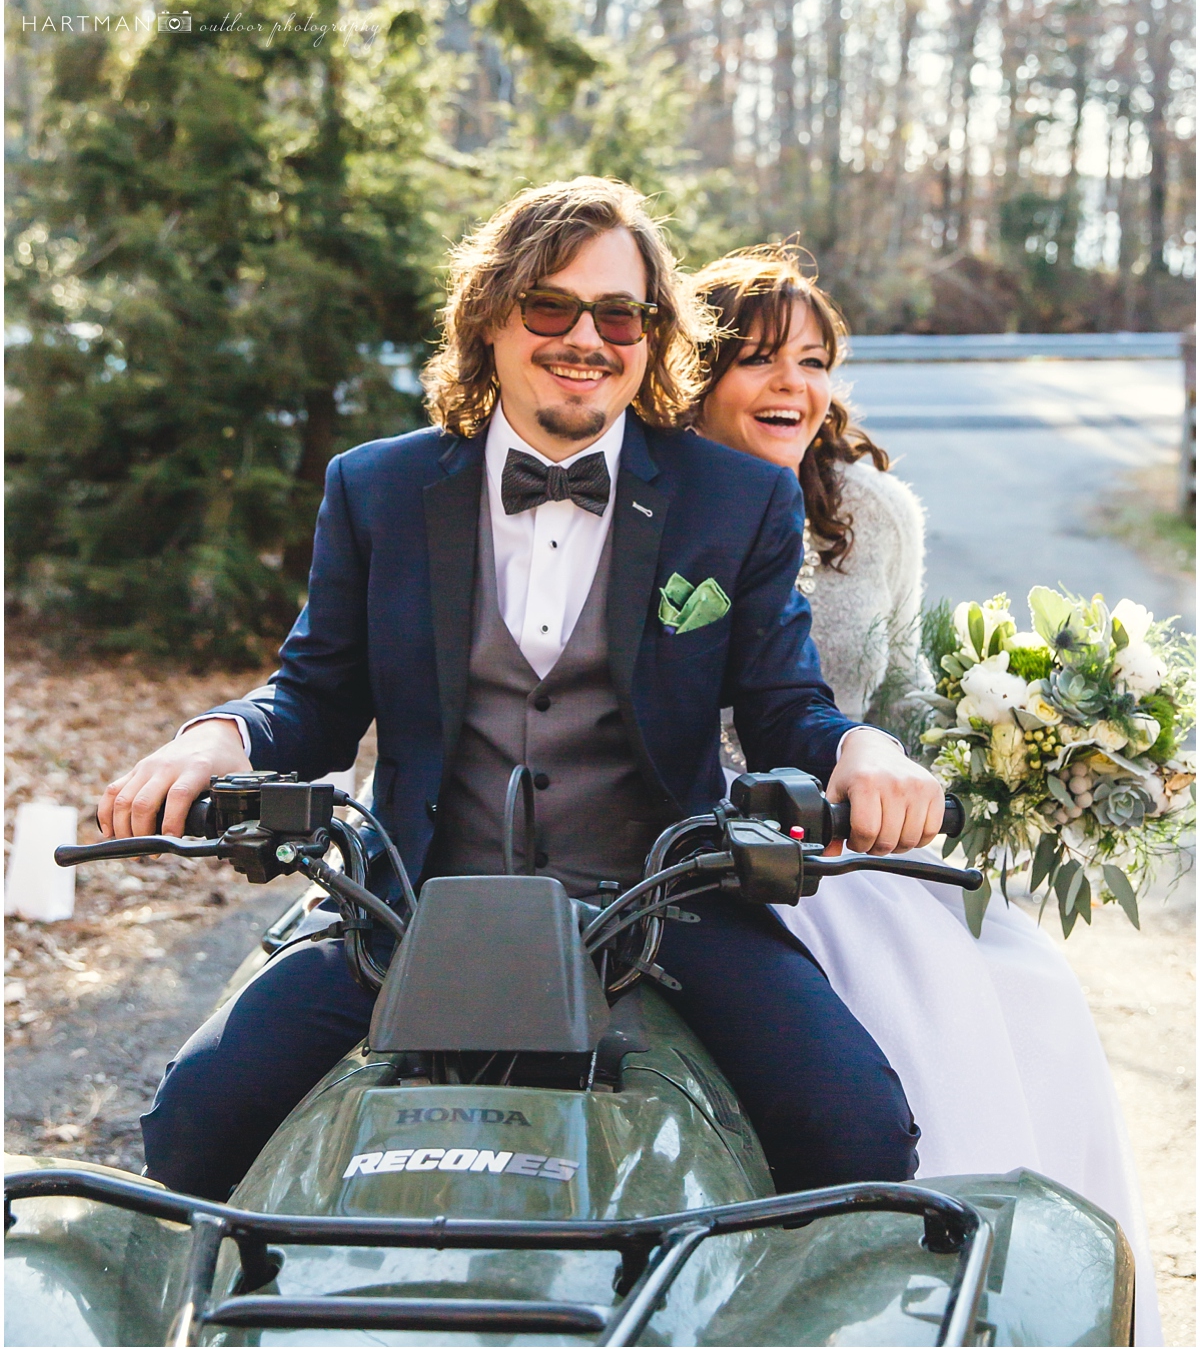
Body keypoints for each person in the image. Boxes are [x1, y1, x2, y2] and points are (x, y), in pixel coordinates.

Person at [99, 176, 946, 1205]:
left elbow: (784, 706)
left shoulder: (738, 497)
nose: (586, 337)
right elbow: (313, 695)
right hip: (411, 898)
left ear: (651, 336)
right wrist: (217, 739)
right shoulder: (376, 489)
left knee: (854, 1124)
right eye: (552, 305)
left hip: (665, 900)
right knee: (195, 1117)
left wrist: (860, 749)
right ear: (491, 316)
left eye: (620, 313)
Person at [691, 245, 1162, 1347]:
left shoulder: (874, 511)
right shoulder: (657, 499)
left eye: (812, 361)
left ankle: (1010, 1295)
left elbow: (897, 683)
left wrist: (1015, 750)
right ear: (692, 373)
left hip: (849, 825)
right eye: (757, 361)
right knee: (879, 1000)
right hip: (702, 825)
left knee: (1021, 986)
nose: (791, 387)